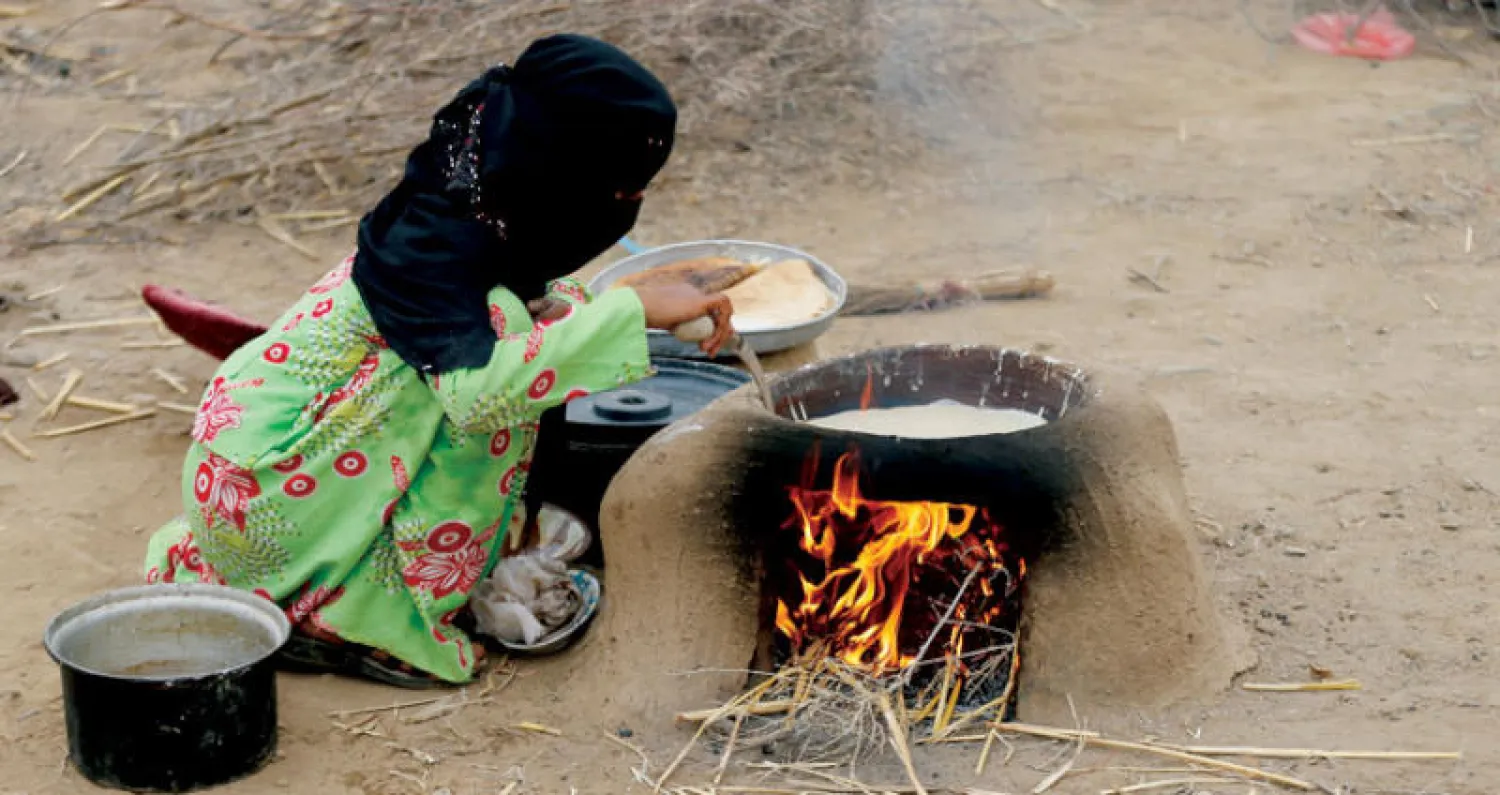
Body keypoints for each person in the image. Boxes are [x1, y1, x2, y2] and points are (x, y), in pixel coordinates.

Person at [143, 34, 734, 688]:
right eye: (619, 191)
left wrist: (622, 307)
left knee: (543, 324)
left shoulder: (456, 207)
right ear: (558, 172)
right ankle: (373, 618)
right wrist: (632, 311)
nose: (627, 208)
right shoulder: (459, 274)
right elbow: (481, 396)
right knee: (500, 388)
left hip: (237, 499)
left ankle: (335, 579)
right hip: (271, 510)